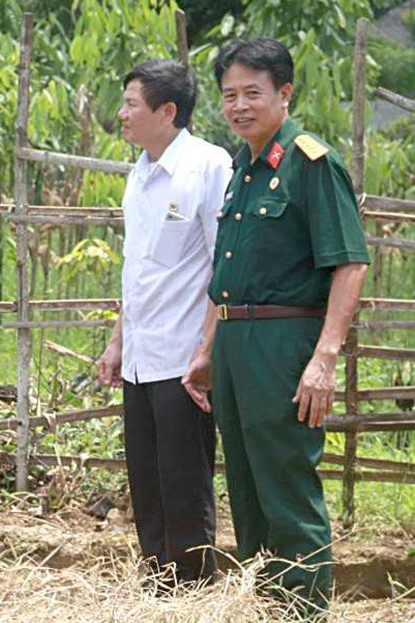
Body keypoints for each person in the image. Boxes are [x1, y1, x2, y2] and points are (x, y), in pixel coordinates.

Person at [183, 37, 369, 617]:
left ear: (284, 94)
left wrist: (325, 357)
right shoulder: (241, 165)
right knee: (248, 488)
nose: (239, 106)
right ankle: (268, 608)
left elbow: (350, 262)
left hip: (284, 343)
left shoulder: (312, 162)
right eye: (229, 95)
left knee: (286, 486)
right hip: (237, 343)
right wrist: (210, 349)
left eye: (252, 93)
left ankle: (305, 612)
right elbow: (230, 273)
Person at [96, 59, 231, 589]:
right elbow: (139, 270)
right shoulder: (141, 173)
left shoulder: (208, 166)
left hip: (184, 359)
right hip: (140, 359)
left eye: (131, 103)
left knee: (185, 483)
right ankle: (157, 587)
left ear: (167, 111)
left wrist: (207, 349)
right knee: (147, 482)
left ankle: (196, 591)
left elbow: (226, 265)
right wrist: (116, 343)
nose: (122, 114)